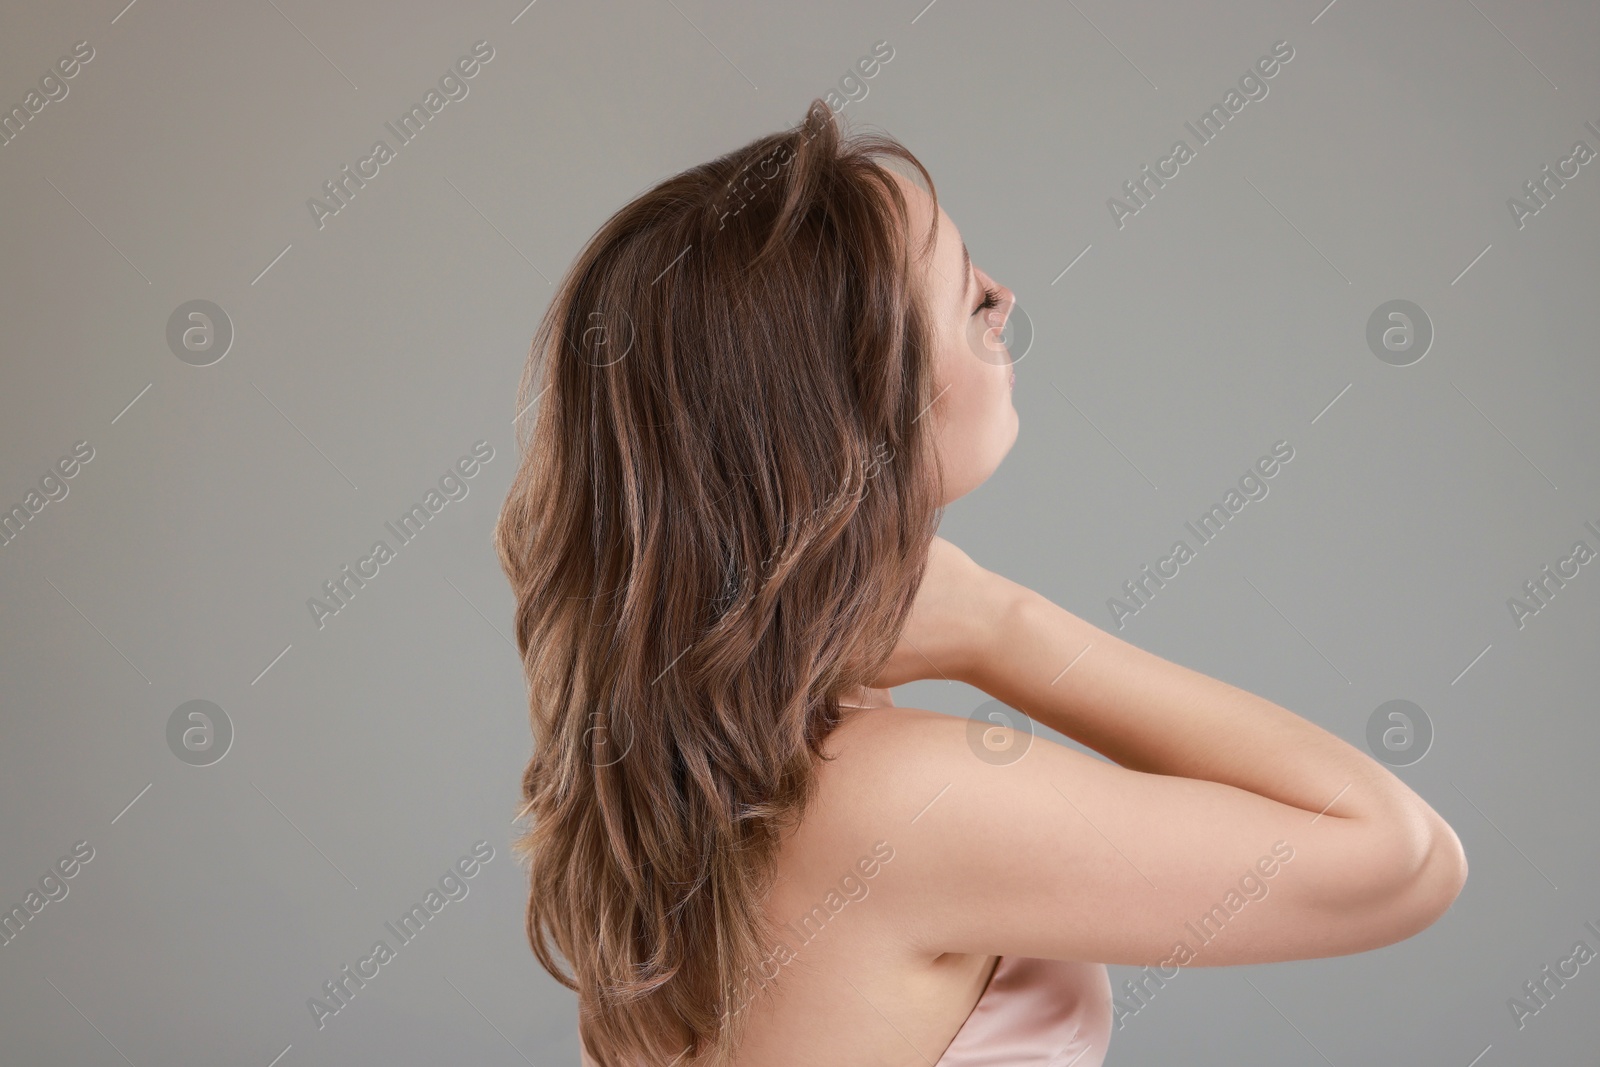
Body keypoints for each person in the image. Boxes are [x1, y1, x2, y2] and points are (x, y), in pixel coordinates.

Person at [494, 99, 1467, 1067]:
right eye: (963, 288)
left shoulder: (690, 786)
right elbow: (1400, 858)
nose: (1000, 296)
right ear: (845, 400)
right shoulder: (893, 798)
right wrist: (1002, 625)